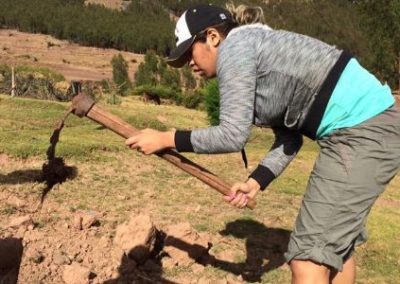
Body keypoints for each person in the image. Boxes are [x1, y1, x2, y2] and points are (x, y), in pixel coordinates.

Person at [126, 3, 400, 284]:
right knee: (335, 252)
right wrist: (256, 181)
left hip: (361, 131)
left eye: (189, 53)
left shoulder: (236, 48)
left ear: (212, 37)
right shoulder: (256, 51)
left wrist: (165, 138)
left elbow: (232, 134)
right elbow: (290, 137)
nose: (189, 64)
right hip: (370, 126)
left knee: (308, 258)